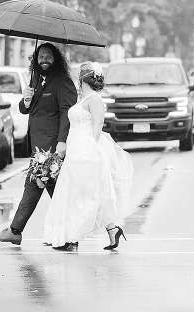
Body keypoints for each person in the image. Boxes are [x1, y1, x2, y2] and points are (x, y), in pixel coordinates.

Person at [0, 43, 77, 245]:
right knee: (55, 191)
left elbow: (67, 113)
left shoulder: (62, 82)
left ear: (56, 60)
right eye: (41, 56)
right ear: (35, 59)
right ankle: (70, 235)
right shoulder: (35, 80)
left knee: (34, 187)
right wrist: (26, 101)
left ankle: (15, 231)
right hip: (38, 146)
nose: (44, 60)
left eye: (48, 57)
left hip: (51, 147)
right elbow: (24, 110)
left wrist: (62, 141)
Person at [42, 61, 134, 251]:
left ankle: (73, 237)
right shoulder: (81, 99)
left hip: (86, 150)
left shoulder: (94, 99)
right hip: (75, 148)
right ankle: (112, 230)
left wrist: (90, 146)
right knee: (79, 192)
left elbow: (98, 124)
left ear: (82, 77)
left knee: (84, 194)